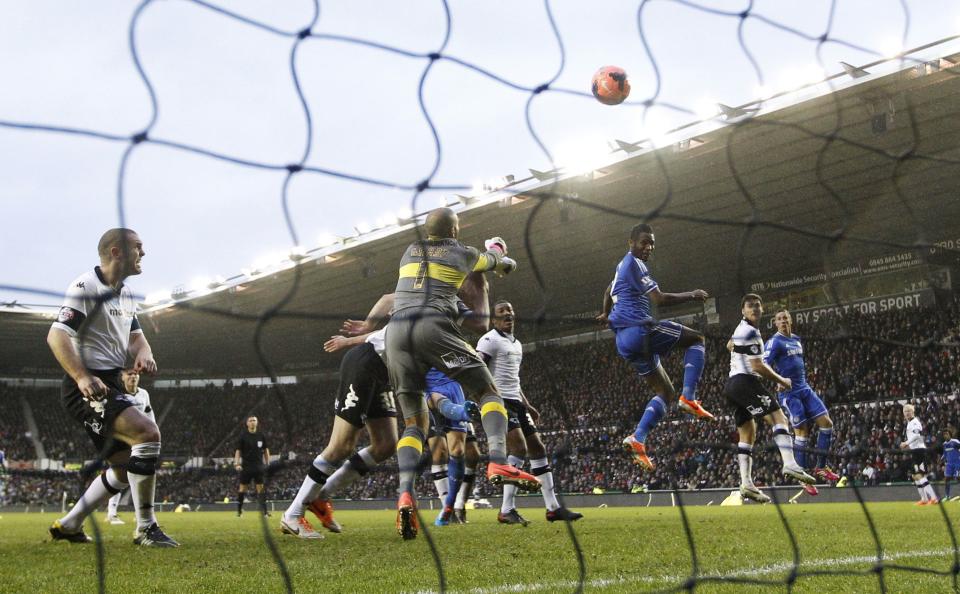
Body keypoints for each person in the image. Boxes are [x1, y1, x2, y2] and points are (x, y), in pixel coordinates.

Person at [385, 207, 538, 540]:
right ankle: (498, 459)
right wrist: (502, 257)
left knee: (413, 424)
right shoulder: (461, 252)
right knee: (487, 391)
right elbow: (497, 263)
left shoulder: (409, 251)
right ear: (454, 231)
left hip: (395, 334)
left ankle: (405, 493)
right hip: (430, 326)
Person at [47, 228, 176, 546]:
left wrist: (145, 352)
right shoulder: (85, 287)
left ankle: (69, 524)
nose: (143, 253)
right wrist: (81, 376)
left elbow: (136, 337)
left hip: (111, 384)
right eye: (138, 247)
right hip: (88, 386)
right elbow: (57, 335)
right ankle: (146, 528)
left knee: (121, 468)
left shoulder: (127, 294)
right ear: (116, 251)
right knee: (148, 434)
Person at [597, 222, 714, 471]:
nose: (649, 247)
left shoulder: (621, 267)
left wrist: (605, 313)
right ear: (631, 243)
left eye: (651, 243)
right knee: (697, 339)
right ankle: (690, 397)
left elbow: (608, 290)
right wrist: (692, 294)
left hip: (624, 342)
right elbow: (659, 298)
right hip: (641, 331)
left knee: (665, 393)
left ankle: (638, 438)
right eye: (644, 242)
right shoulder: (634, 264)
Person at [478, 300, 582, 525]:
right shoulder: (488, 340)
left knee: (538, 448)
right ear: (493, 319)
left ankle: (553, 508)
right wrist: (483, 400)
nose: (507, 314)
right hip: (499, 402)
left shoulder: (517, 344)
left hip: (516, 402)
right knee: (519, 448)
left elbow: (514, 380)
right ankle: (506, 509)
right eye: (502, 312)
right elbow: (477, 370)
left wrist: (527, 404)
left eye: (510, 310)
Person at [723, 294, 815, 503]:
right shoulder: (751, 332)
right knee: (779, 419)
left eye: (757, 306)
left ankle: (746, 484)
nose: (754, 309)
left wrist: (739, 350)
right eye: (750, 306)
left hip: (731, 386)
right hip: (745, 381)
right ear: (743, 311)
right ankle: (790, 463)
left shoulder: (741, 329)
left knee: (747, 433)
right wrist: (781, 380)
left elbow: (729, 345)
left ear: (763, 309)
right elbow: (757, 366)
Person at [762, 309, 840, 497]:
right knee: (802, 431)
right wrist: (780, 381)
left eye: (785, 318)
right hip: (789, 394)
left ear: (791, 320)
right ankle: (802, 477)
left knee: (827, 424)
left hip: (805, 389)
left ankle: (821, 467)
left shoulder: (796, 339)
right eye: (779, 319)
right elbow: (763, 365)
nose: (782, 321)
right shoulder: (774, 342)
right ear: (775, 323)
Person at [105, 369, 155, 525]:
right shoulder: (118, 394)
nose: (133, 376)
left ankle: (141, 513)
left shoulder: (144, 394)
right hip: (121, 439)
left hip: (139, 440)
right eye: (129, 374)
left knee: (139, 474)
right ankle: (112, 513)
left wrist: (153, 432)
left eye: (135, 374)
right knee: (121, 475)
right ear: (122, 377)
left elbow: (148, 412)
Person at [900, 404, 938, 505]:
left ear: (913, 412)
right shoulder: (909, 423)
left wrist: (906, 443)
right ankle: (924, 499)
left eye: (909, 411)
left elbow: (917, 435)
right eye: (905, 411)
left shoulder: (915, 422)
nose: (907, 413)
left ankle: (933, 498)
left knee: (919, 475)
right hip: (915, 450)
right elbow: (918, 437)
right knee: (915, 475)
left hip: (919, 451)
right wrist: (910, 445)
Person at [234, 416, 271, 517]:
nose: (252, 422)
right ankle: (239, 511)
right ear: (247, 423)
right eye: (250, 421)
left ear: (257, 422)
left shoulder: (261, 435)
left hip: (259, 467)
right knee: (242, 489)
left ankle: (265, 512)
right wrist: (236, 463)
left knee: (261, 489)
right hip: (246, 467)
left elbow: (266, 450)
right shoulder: (243, 436)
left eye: (254, 420)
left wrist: (268, 463)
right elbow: (238, 450)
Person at [941, 429, 959, 501]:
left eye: (947, 434)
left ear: (950, 434)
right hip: (949, 464)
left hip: (957, 463)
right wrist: (941, 460)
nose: (945, 435)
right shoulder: (944, 444)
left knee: (958, 478)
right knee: (947, 479)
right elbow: (945, 454)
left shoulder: (955, 442)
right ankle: (947, 496)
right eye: (944, 434)